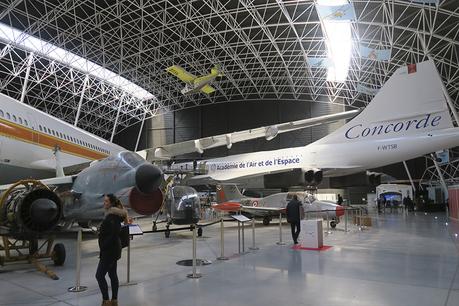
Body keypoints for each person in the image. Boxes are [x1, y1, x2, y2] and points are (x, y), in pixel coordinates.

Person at [95, 194, 128, 306]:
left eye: (106, 201)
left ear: (112, 203)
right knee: (112, 274)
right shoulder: (113, 216)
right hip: (113, 250)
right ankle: (114, 301)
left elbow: (113, 234)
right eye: (104, 201)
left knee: (99, 275)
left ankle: (106, 301)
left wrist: (103, 246)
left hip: (109, 251)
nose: (104, 203)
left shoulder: (112, 217)